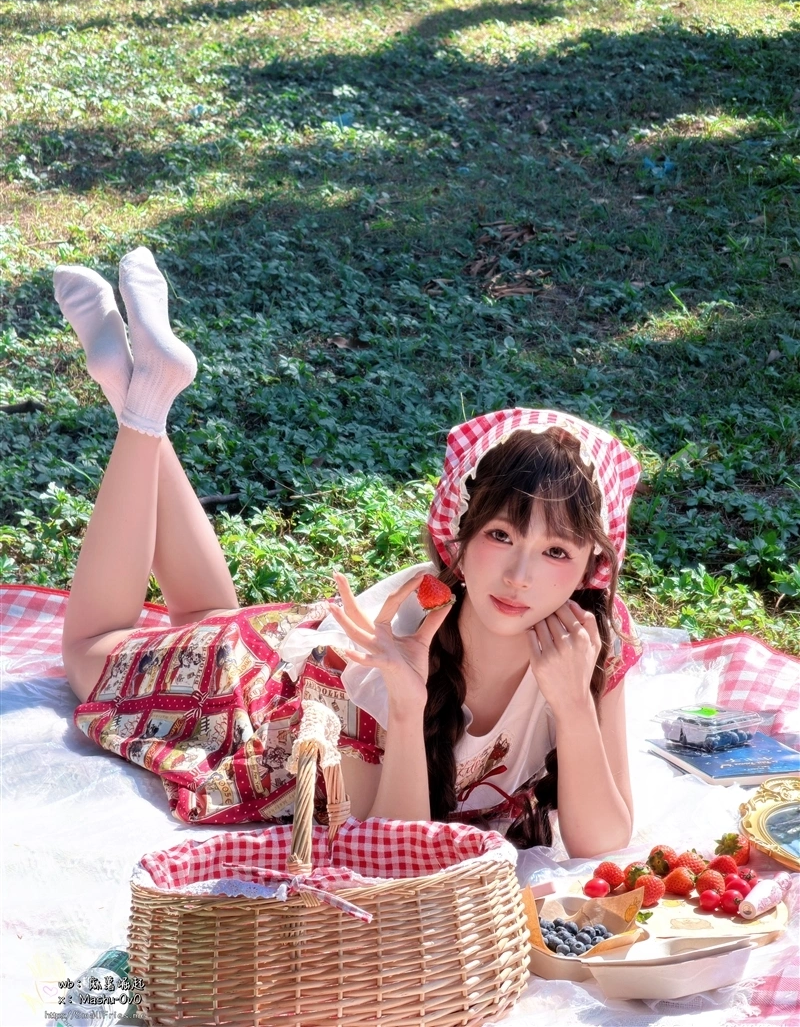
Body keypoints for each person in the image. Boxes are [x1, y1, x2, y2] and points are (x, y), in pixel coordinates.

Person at [54, 247, 641, 858]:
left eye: (555, 551)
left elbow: (602, 840)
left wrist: (574, 705)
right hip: (247, 694)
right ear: (458, 542)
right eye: (501, 535)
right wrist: (406, 709)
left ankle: (139, 390)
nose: (520, 576)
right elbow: (392, 851)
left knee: (205, 614)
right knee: (88, 647)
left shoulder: (595, 638)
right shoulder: (384, 650)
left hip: (269, 646)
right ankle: (141, 407)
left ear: (592, 568)